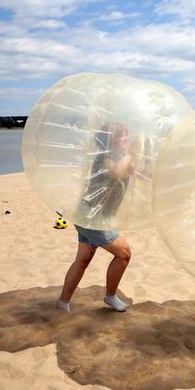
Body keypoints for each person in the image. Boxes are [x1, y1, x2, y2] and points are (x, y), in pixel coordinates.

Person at [56, 122, 137, 313]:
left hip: (91, 216)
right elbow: (116, 173)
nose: (125, 138)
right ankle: (110, 297)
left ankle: (62, 302)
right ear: (110, 139)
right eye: (120, 136)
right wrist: (132, 154)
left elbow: (138, 172)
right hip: (92, 217)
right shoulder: (105, 157)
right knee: (124, 253)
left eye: (126, 134)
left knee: (83, 259)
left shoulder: (120, 157)